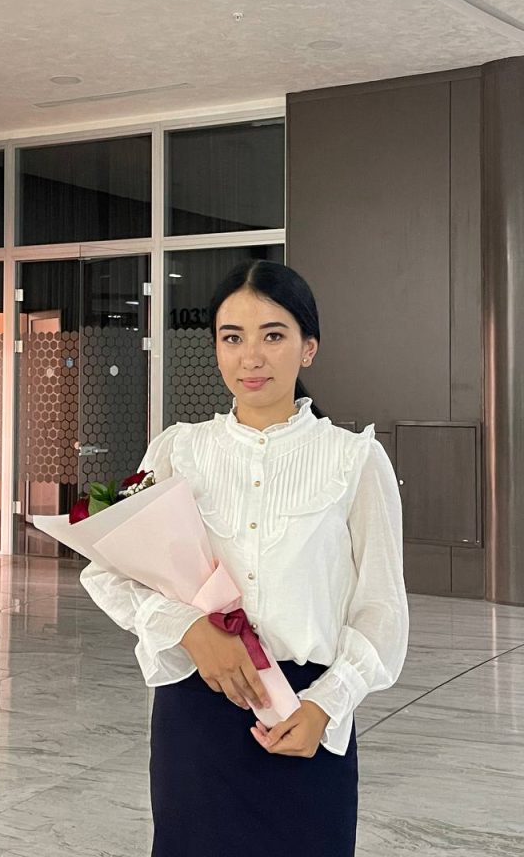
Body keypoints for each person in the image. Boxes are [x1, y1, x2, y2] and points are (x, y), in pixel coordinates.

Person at [80, 259, 409, 857]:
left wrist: (326, 707)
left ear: (308, 348)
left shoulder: (354, 461)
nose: (250, 357)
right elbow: (108, 569)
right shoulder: (181, 451)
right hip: (197, 710)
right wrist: (189, 630)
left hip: (303, 716)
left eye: (273, 336)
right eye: (232, 338)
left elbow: (382, 611)